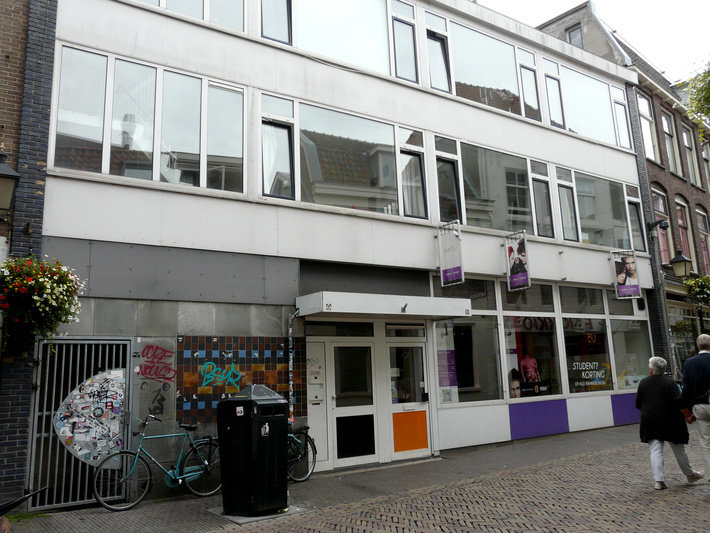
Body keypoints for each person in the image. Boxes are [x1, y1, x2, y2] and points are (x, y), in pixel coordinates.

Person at [636, 356, 703, 490]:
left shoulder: (643, 383)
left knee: (655, 450)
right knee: (679, 449)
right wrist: (688, 415)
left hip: (651, 420)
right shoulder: (670, 383)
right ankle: (690, 475)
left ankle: (659, 481)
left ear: (651, 370)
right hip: (671, 420)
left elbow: (638, 404)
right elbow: (678, 401)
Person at [682, 333, 710, 477]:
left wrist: (687, 410)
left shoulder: (689, 363)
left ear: (698, 346)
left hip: (699, 405)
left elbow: (686, 388)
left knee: (706, 442)